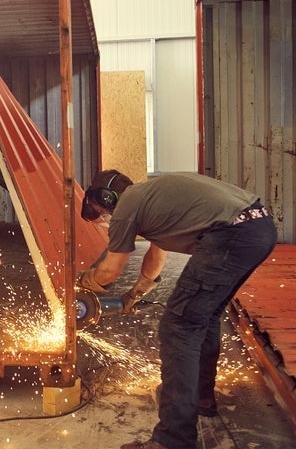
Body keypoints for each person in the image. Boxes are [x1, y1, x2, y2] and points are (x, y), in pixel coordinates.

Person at [78, 170, 277, 449]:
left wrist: (82, 282)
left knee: (178, 328)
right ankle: (200, 397)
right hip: (260, 228)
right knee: (204, 316)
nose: (104, 218)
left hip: (230, 235)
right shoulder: (151, 198)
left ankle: (172, 440)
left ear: (106, 198)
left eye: (100, 211)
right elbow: (156, 257)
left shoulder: (127, 207)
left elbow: (110, 270)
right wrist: (135, 294)